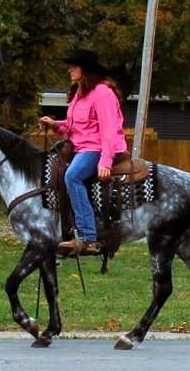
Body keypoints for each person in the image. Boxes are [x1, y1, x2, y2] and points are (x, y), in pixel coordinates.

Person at [39, 49, 127, 256]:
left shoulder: (102, 93)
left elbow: (109, 129)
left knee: (73, 176)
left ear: (85, 69)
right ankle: (65, 228)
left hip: (97, 148)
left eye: (74, 66)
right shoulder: (79, 93)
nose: (69, 69)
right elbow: (74, 126)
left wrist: (105, 162)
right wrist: (55, 125)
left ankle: (89, 238)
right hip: (81, 147)